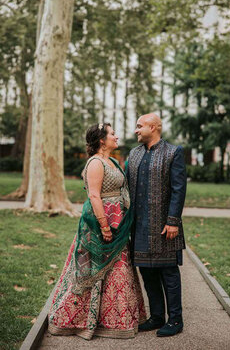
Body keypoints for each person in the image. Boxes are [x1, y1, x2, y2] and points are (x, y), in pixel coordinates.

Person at [48, 123, 146, 339]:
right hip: (100, 226)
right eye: (112, 134)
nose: (116, 136)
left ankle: (117, 320)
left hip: (117, 225)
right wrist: (104, 226)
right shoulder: (95, 163)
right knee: (92, 271)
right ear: (102, 140)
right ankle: (83, 320)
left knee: (118, 272)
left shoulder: (110, 161)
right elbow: (94, 196)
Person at [126, 113, 187, 337]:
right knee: (147, 272)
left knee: (168, 272)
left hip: (163, 227)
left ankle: (176, 320)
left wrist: (173, 221)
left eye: (140, 126)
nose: (136, 130)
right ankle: (157, 317)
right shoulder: (133, 154)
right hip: (139, 226)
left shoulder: (173, 152)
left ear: (153, 127)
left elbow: (178, 190)